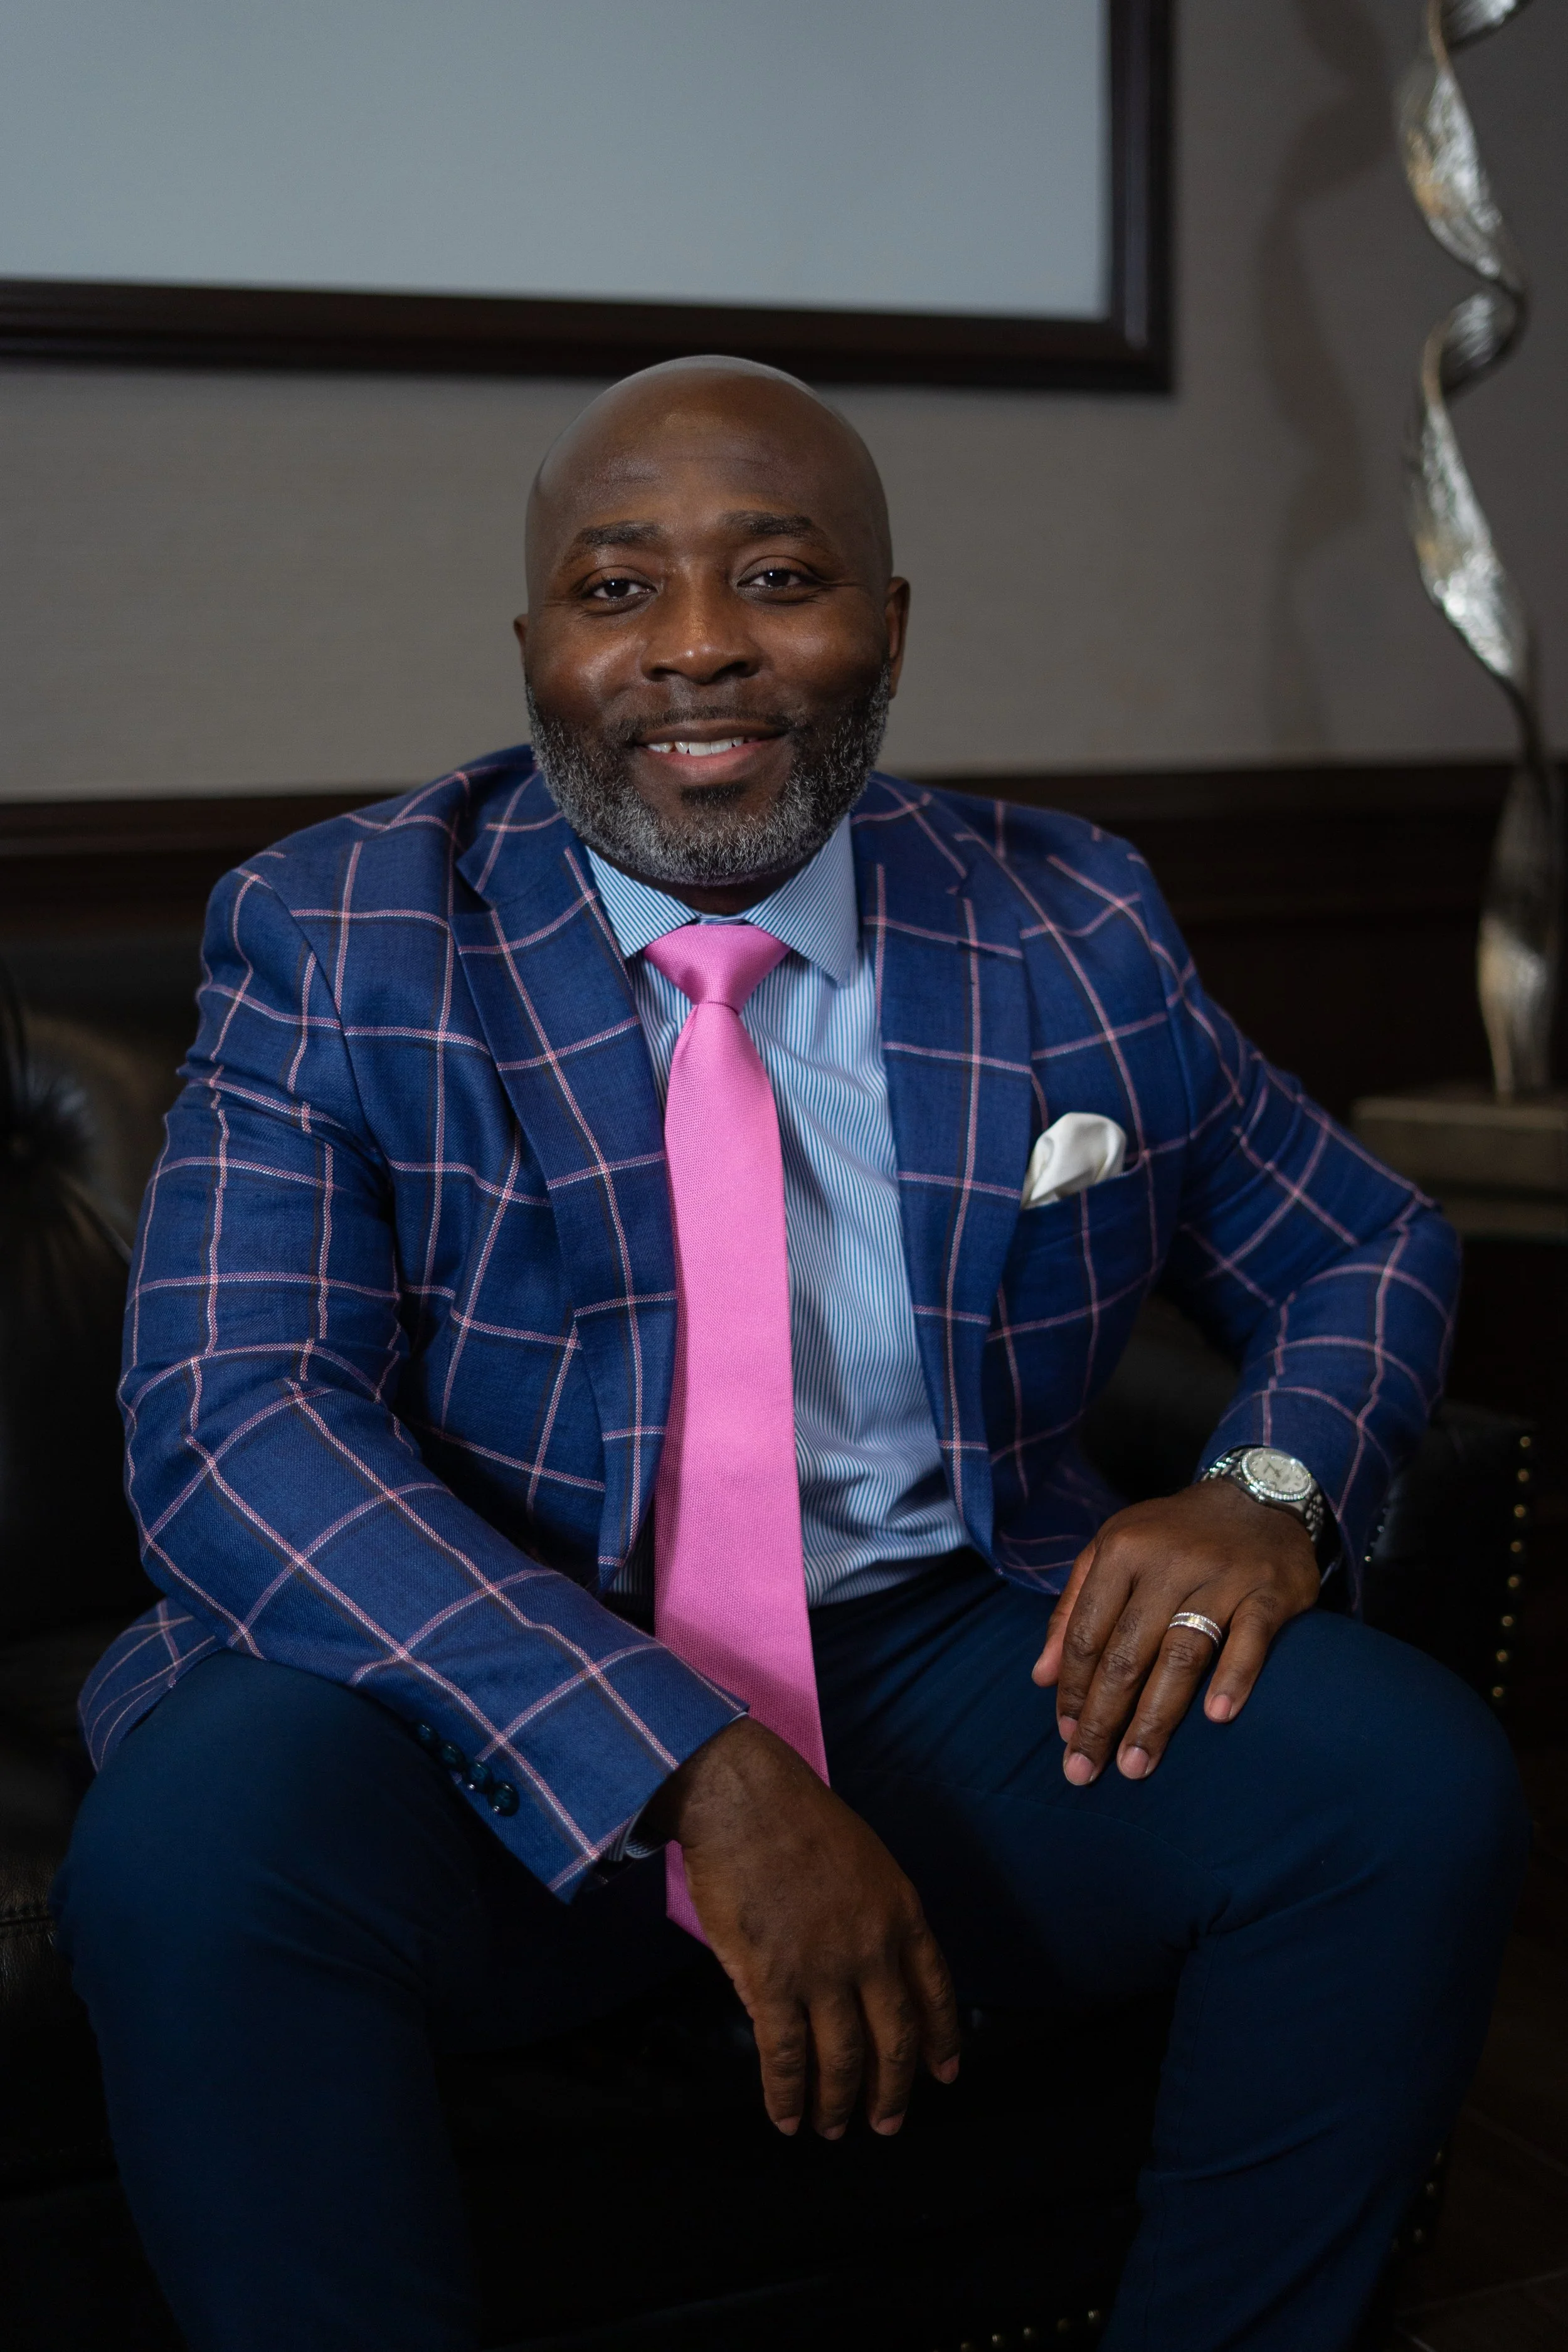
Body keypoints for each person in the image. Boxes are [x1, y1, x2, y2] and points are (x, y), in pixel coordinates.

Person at [55, 358, 1527, 2352]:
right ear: (531, 647)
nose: (694, 652)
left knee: (1396, 1780)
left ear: (890, 626)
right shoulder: (343, 935)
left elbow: (1360, 1237)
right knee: (198, 1835)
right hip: (472, 1691)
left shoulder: (1063, 920)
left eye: (775, 575)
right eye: (613, 592)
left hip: (948, 1657)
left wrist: (1262, 1487)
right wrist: (689, 1765)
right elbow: (236, 1430)